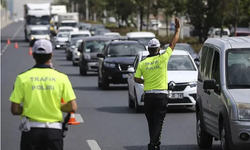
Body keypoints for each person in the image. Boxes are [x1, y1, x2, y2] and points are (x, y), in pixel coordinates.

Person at [9, 39, 78, 150]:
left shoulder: (22, 78)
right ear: (51, 55)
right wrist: (53, 106)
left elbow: (15, 109)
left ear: (33, 55)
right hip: (54, 133)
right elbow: (72, 107)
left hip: (31, 132)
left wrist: (31, 108)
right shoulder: (62, 78)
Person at [134, 17, 181, 150]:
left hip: (148, 96)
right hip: (161, 96)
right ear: (158, 49)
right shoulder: (163, 59)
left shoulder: (142, 63)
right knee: (159, 122)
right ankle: (153, 144)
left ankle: (155, 144)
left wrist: (145, 81)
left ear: (148, 49)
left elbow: (136, 79)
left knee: (151, 122)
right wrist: (177, 29)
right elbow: (172, 44)